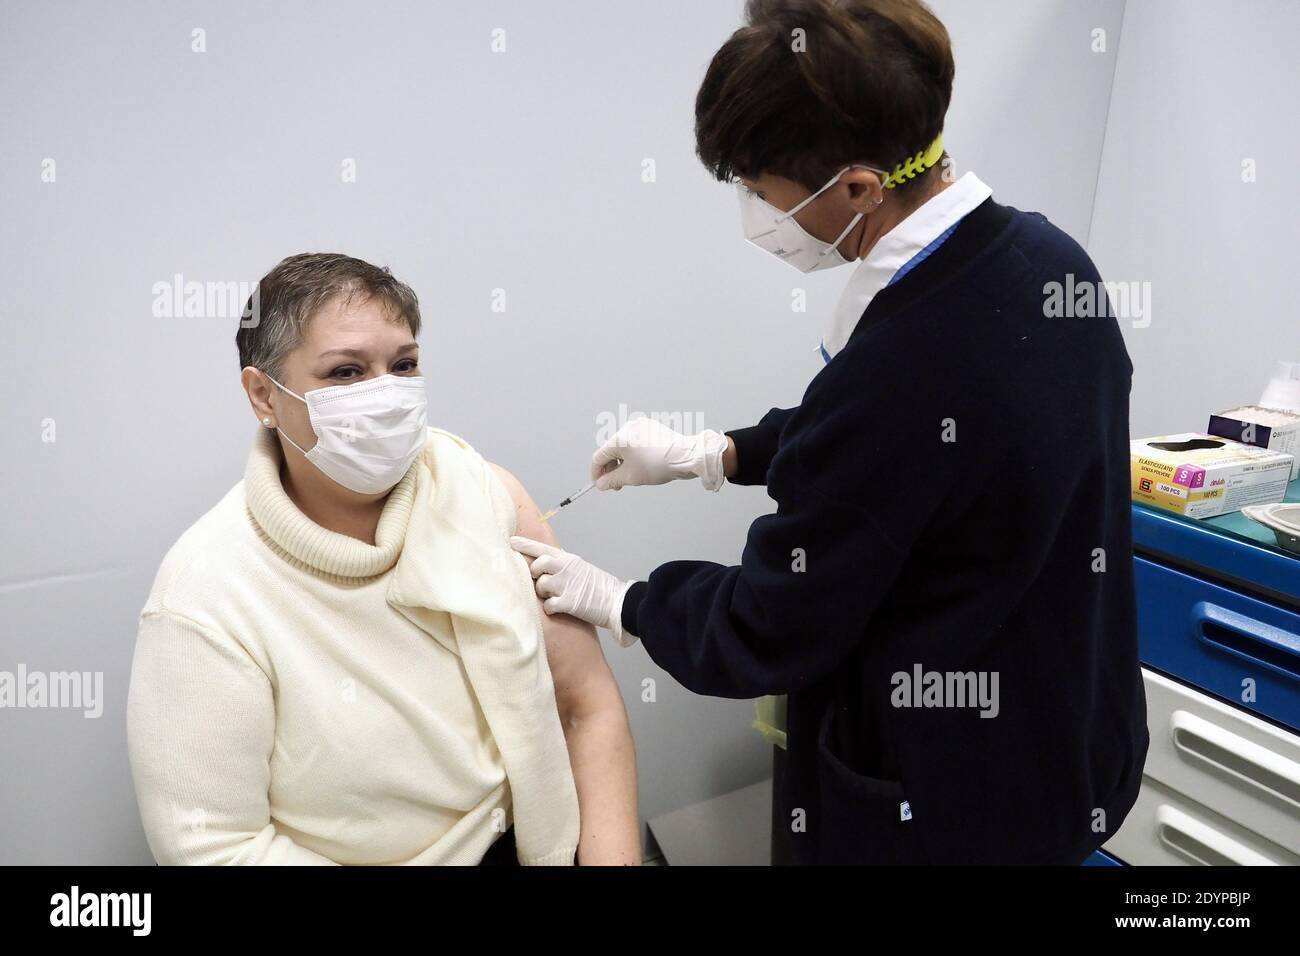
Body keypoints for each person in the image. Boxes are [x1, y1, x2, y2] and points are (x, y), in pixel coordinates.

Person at [511, 0, 1148, 864]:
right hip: (1068, 738)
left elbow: (767, 627)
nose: (753, 212)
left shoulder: (904, 366)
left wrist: (625, 600)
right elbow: (916, 455)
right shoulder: (1047, 262)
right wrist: (718, 453)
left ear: (855, 187)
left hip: (945, 799)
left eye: (757, 189)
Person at [126, 252, 640, 865]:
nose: (386, 394)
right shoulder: (206, 593)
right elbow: (215, 849)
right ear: (263, 395)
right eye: (345, 372)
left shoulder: (484, 492)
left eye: (404, 365)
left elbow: (586, 707)